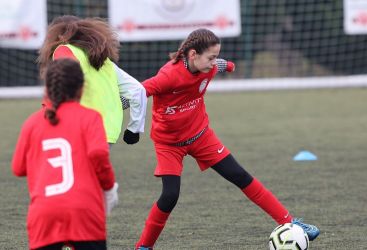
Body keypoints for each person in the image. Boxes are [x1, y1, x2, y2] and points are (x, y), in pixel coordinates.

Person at [134, 28, 320, 249]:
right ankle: (144, 246)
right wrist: (118, 105)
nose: (214, 62)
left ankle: (289, 222)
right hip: (169, 144)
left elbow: (221, 64)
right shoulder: (168, 76)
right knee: (170, 195)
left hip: (201, 136)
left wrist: (229, 65)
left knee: (240, 176)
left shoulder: (209, 67)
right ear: (193, 55)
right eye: (211, 57)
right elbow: (138, 92)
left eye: (216, 57)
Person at [11, 59, 118, 250]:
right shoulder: (90, 117)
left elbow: (18, 168)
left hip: (44, 212)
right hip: (84, 209)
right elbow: (99, 153)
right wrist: (109, 187)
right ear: (81, 88)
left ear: (48, 88)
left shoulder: (32, 122)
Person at [37, 15, 147, 145]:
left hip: (82, 127)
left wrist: (48, 109)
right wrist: (134, 129)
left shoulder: (64, 49)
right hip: (109, 131)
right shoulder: (104, 60)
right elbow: (137, 90)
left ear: (59, 35)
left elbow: (64, 79)